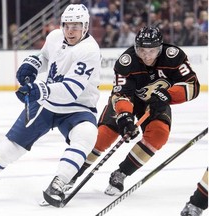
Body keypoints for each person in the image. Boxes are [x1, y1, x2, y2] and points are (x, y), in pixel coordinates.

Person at [0, 4, 101, 203]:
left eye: (76, 25)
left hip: (78, 107)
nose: (70, 30)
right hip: (46, 103)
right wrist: (32, 64)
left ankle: (60, 181)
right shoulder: (54, 37)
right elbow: (46, 57)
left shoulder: (89, 50)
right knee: (10, 146)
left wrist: (39, 89)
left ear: (85, 27)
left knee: (86, 135)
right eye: (67, 24)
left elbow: (70, 91)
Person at [67, 26, 200, 196]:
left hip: (157, 100)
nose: (146, 55)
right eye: (142, 50)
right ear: (136, 48)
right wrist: (125, 117)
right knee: (103, 136)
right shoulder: (127, 61)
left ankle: (121, 173)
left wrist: (168, 95)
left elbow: (192, 85)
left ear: (160, 48)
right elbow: (121, 94)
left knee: (159, 134)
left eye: (151, 51)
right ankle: (71, 175)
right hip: (129, 100)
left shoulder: (174, 57)